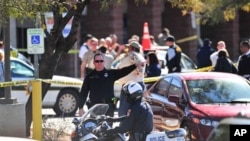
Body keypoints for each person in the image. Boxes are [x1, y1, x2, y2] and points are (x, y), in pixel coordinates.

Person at [78, 53, 143, 117]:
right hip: (94, 107)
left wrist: (134, 66)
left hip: (109, 107)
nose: (99, 63)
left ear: (104, 62)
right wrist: (80, 107)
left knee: (108, 127)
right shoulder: (89, 77)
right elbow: (83, 92)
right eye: (97, 61)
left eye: (101, 61)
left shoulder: (110, 74)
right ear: (94, 63)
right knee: (94, 126)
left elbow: (123, 71)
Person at [117, 41, 146, 117]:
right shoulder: (136, 56)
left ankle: (124, 125)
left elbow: (139, 67)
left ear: (133, 48)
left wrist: (139, 71)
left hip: (131, 86)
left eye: (129, 47)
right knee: (130, 108)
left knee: (125, 108)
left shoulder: (134, 55)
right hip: (132, 85)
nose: (128, 49)